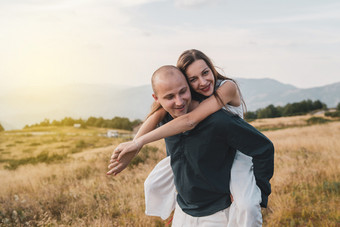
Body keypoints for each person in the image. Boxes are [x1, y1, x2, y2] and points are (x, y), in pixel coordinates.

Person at [107, 63, 274, 226]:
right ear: (157, 99)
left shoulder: (219, 120)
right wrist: (135, 146)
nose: (179, 102)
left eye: (182, 92)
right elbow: (156, 117)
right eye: (170, 97)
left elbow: (264, 148)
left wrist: (258, 191)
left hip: (218, 215)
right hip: (183, 213)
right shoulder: (165, 118)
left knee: (248, 206)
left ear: (188, 87)